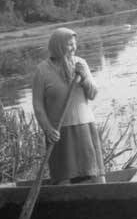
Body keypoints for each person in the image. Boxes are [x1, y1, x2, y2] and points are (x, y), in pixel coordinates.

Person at [32, 27, 106, 185]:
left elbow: (92, 94)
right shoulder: (42, 70)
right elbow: (38, 105)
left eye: (75, 43)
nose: (74, 47)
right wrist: (47, 129)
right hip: (59, 132)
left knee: (96, 175)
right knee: (64, 178)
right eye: (70, 44)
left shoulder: (81, 64)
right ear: (58, 46)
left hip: (85, 127)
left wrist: (84, 77)